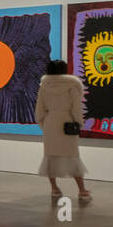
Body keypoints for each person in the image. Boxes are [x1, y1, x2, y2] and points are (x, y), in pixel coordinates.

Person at [34, 60, 90, 201]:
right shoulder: (72, 86)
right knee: (72, 156)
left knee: (50, 156)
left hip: (51, 123)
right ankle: (82, 191)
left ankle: (54, 189)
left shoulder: (44, 86)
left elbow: (39, 110)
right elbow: (76, 109)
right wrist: (79, 124)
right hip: (67, 123)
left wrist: (44, 125)